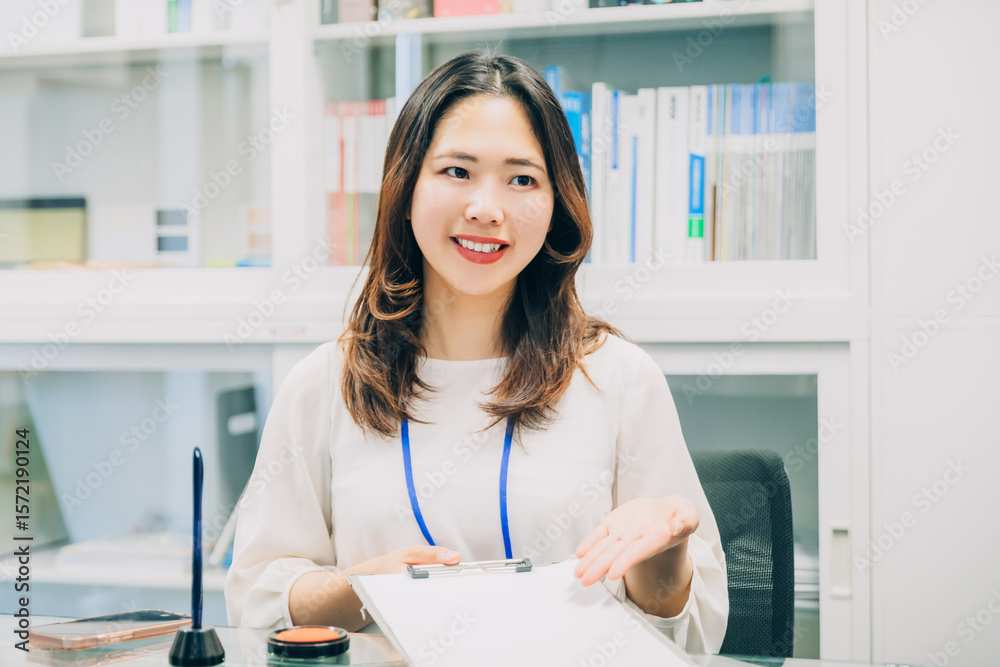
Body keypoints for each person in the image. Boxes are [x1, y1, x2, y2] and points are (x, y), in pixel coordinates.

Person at [225, 48, 728, 654]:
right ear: (405, 185)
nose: (486, 209)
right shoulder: (325, 382)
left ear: (557, 203)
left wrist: (665, 554)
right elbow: (256, 598)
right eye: (457, 171)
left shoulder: (617, 377)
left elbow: (696, 633)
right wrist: (361, 589)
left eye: (522, 179)